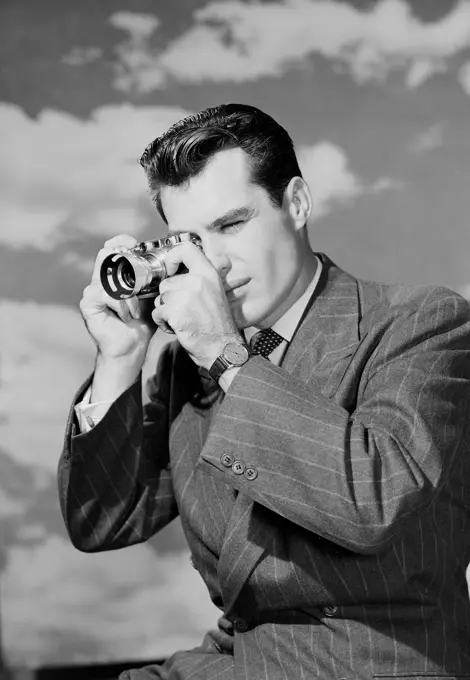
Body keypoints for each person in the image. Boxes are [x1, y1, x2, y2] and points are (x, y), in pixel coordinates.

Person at [58, 103, 470, 679]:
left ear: (296, 203)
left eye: (232, 225)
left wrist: (228, 357)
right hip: (239, 661)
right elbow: (102, 523)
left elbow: (372, 500)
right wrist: (121, 355)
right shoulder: (187, 360)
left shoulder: (421, 322)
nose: (217, 263)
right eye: (192, 242)